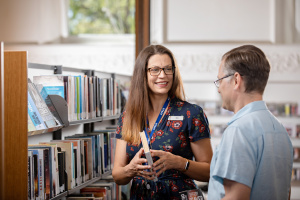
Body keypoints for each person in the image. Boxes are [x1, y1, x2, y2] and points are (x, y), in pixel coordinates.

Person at [112, 44, 213, 199]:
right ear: (142, 74)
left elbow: (209, 172)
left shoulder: (191, 113)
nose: (163, 75)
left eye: (168, 69)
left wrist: (179, 163)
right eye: (155, 69)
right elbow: (118, 176)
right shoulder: (128, 117)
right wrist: (130, 169)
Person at [208, 44, 293, 200]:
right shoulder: (281, 131)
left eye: (220, 80)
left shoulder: (238, 130)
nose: (219, 89)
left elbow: (235, 197)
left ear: (236, 80)